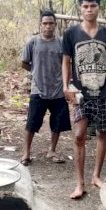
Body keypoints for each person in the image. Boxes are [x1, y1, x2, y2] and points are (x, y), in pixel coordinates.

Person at [62, 0, 106, 199]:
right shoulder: (71, 34)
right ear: (80, 8)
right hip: (81, 93)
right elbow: (66, 61)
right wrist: (66, 86)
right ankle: (80, 183)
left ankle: (96, 175)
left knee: (103, 134)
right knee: (79, 136)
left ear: (98, 7)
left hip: (104, 92)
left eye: (93, 6)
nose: (89, 10)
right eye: (85, 6)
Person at [20, 10, 72, 166]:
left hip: (58, 90)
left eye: (51, 24)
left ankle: (52, 150)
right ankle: (26, 153)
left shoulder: (62, 43)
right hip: (38, 90)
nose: (48, 27)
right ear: (40, 25)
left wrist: (66, 83)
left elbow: (67, 64)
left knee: (57, 123)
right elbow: (24, 63)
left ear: (55, 25)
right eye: (45, 23)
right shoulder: (33, 42)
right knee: (32, 123)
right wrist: (36, 73)